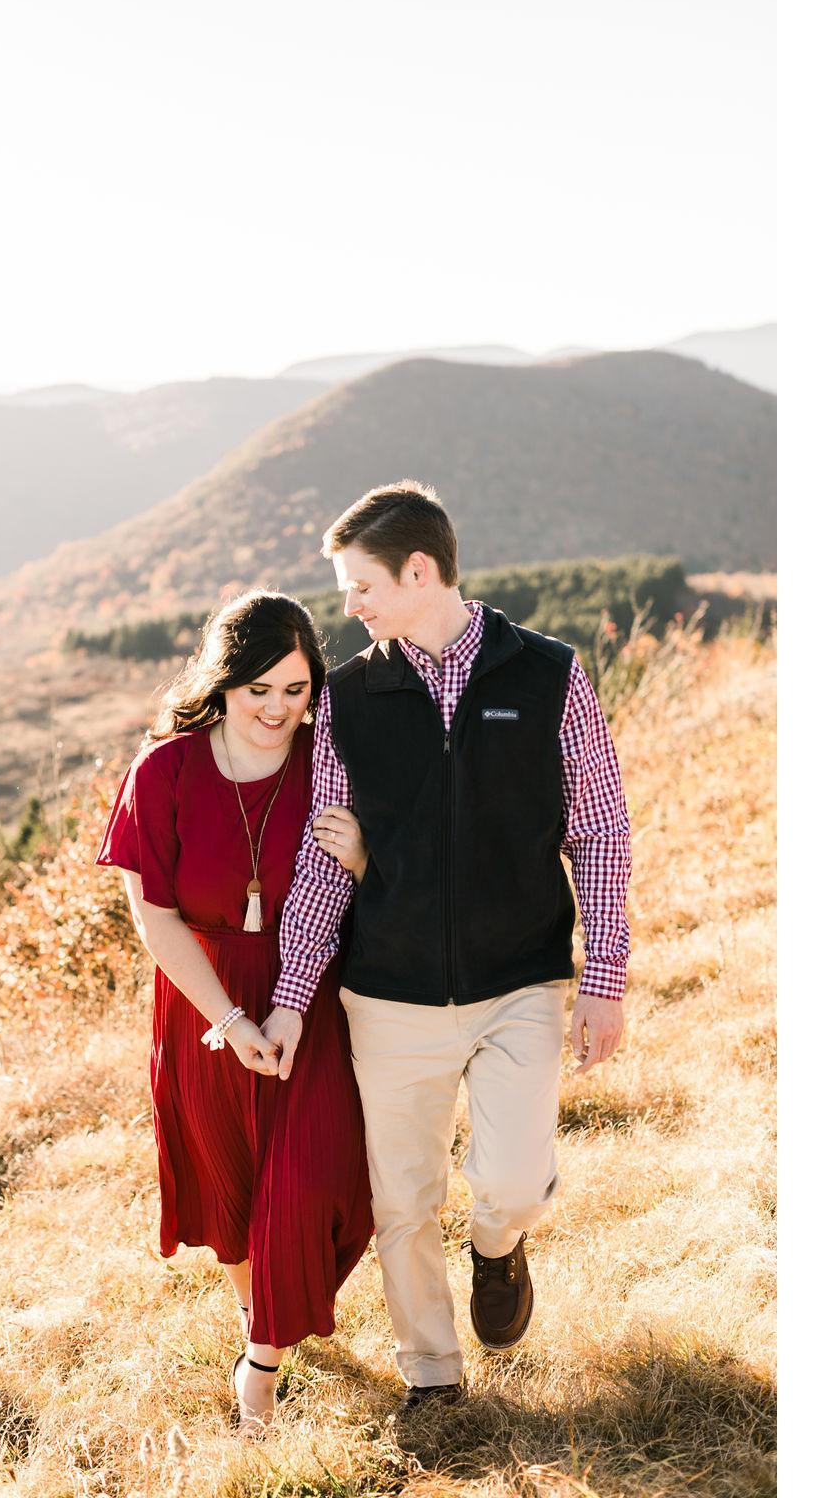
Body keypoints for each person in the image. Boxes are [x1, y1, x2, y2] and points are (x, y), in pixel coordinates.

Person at [261, 481, 632, 1412]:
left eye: (360, 588)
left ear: (418, 572)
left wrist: (607, 977)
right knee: (404, 1202)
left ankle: (500, 1245)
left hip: (521, 979)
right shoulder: (348, 698)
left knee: (508, 1180)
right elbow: (321, 862)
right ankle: (432, 1372)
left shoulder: (547, 674)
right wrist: (293, 999)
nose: (349, 609)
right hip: (390, 992)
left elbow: (600, 829)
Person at [94, 589, 375, 1435]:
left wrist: (365, 857)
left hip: (306, 992)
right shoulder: (164, 773)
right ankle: (265, 1335)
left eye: (295, 690)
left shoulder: (329, 758)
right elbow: (156, 919)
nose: (278, 710)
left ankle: (259, 1365)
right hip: (202, 999)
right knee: (232, 1189)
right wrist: (226, 1019)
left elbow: (366, 884)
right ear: (222, 684)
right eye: (259, 691)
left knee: (311, 1178)